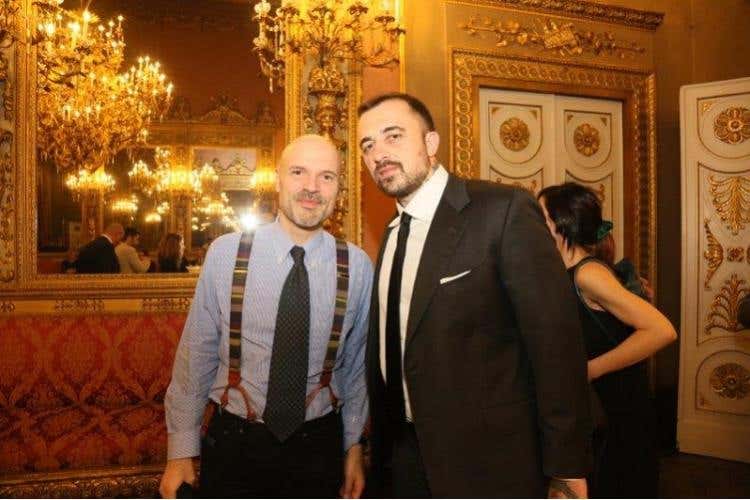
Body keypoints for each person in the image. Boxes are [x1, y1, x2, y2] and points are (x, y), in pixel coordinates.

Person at [356, 92, 592, 498]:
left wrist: (566, 466)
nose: (379, 154)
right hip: (403, 458)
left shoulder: (502, 210)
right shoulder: (393, 234)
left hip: (488, 463)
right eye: (367, 145)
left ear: (431, 142)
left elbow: (556, 344)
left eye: (393, 136)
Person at [159, 135, 373, 499]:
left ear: (339, 188)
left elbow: (355, 369)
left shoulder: (358, 266)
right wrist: (179, 452)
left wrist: (353, 448)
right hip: (234, 444)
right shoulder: (226, 254)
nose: (311, 187)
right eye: (298, 172)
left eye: (326, 176)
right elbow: (197, 356)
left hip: (319, 447)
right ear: (277, 180)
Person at [537, 182, 677, 498]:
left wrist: (590, 370)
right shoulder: (566, 271)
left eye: (541, 216)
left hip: (619, 411)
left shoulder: (588, 274)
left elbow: (661, 330)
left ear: (562, 224)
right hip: (600, 410)